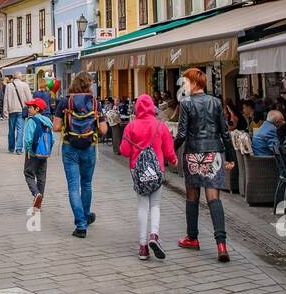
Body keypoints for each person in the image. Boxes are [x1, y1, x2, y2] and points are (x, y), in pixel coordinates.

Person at [174, 68, 234, 261]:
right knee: (213, 197)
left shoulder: (186, 103)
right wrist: (230, 156)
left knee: (192, 196)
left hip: (193, 152)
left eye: (185, 82)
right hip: (214, 153)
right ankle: (221, 244)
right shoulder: (216, 102)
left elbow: (182, 133)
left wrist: (169, 150)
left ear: (193, 83)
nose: (183, 86)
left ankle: (192, 238)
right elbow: (225, 132)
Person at [119, 94, 177, 262]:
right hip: (157, 169)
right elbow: (168, 150)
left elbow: (124, 151)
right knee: (156, 205)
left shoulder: (130, 126)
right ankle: (154, 235)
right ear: (152, 108)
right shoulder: (161, 125)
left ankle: (143, 247)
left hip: (137, 171)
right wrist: (173, 160)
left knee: (142, 206)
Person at [52, 73, 107, 238]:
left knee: (73, 187)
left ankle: (81, 224)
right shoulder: (95, 103)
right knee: (87, 184)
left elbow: (55, 127)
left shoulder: (65, 101)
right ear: (89, 85)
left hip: (70, 147)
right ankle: (85, 216)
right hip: (89, 147)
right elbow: (104, 129)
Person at [21, 96, 54, 213]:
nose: (28, 109)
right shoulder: (48, 121)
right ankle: (38, 204)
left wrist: (28, 151)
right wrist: (47, 151)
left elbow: (28, 139)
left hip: (33, 153)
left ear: (37, 109)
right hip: (44, 153)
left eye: (31, 107)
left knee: (28, 174)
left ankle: (36, 194)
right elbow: (53, 139)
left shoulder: (31, 121)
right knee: (41, 177)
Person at [3, 74, 32, 154]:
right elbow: (30, 98)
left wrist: (5, 111)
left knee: (11, 130)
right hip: (21, 110)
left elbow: (5, 99)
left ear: (14, 78)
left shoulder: (8, 86)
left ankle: (11, 148)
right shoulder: (25, 85)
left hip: (11, 110)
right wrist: (30, 110)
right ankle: (19, 148)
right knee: (20, 129)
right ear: (20, 77)